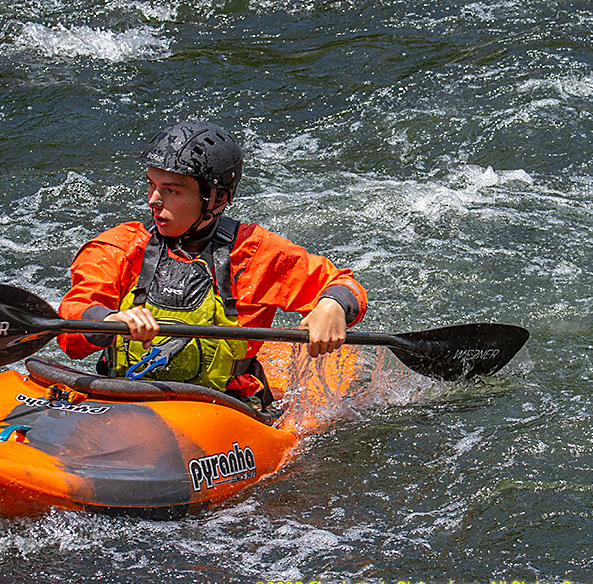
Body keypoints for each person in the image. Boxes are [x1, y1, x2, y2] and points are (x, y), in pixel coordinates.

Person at [57, 121, 367, 408]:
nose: (154, 200)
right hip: (124, 397)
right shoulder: (121, 246)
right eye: (151, 185)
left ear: (216, 198)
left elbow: (343, 284)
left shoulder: (254, 252)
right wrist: (108, 320)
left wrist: (333, 305)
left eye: (172, 190)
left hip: (226, 407)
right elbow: (71, 325)